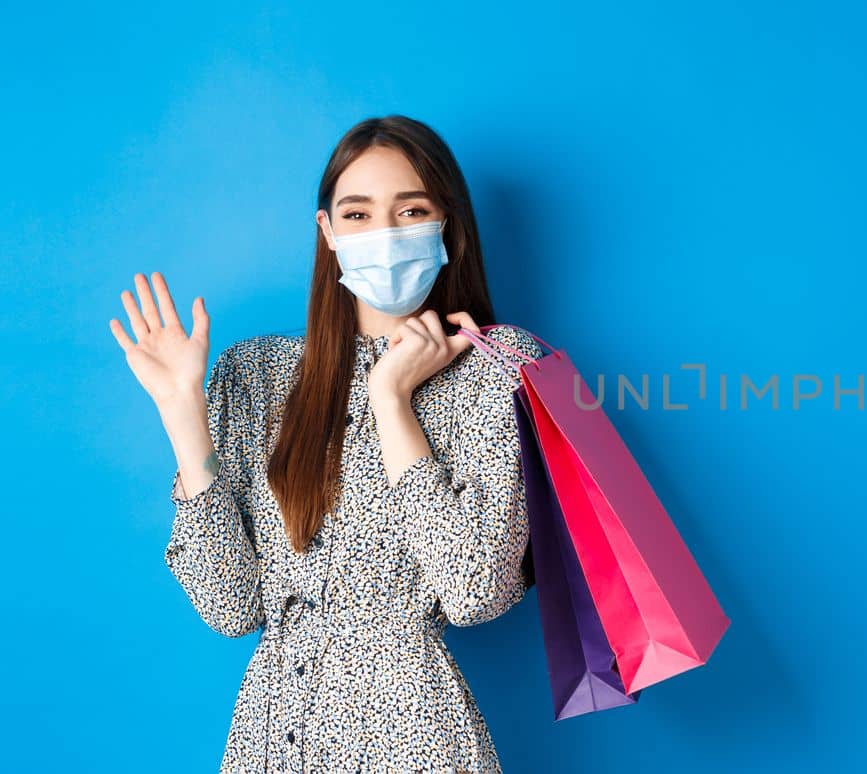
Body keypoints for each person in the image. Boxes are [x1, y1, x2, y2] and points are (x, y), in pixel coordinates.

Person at [109, 115, 544, 772]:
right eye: (359, 213)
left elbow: (475, 589)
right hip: (266, 743)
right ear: (329, 232)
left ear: (447, 225)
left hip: (413, 744)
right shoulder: (259, 377)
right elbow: (230, 608)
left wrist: (392, 400)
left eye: (412, 210)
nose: (386, 235)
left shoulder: (495, 366)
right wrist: (182, 412)